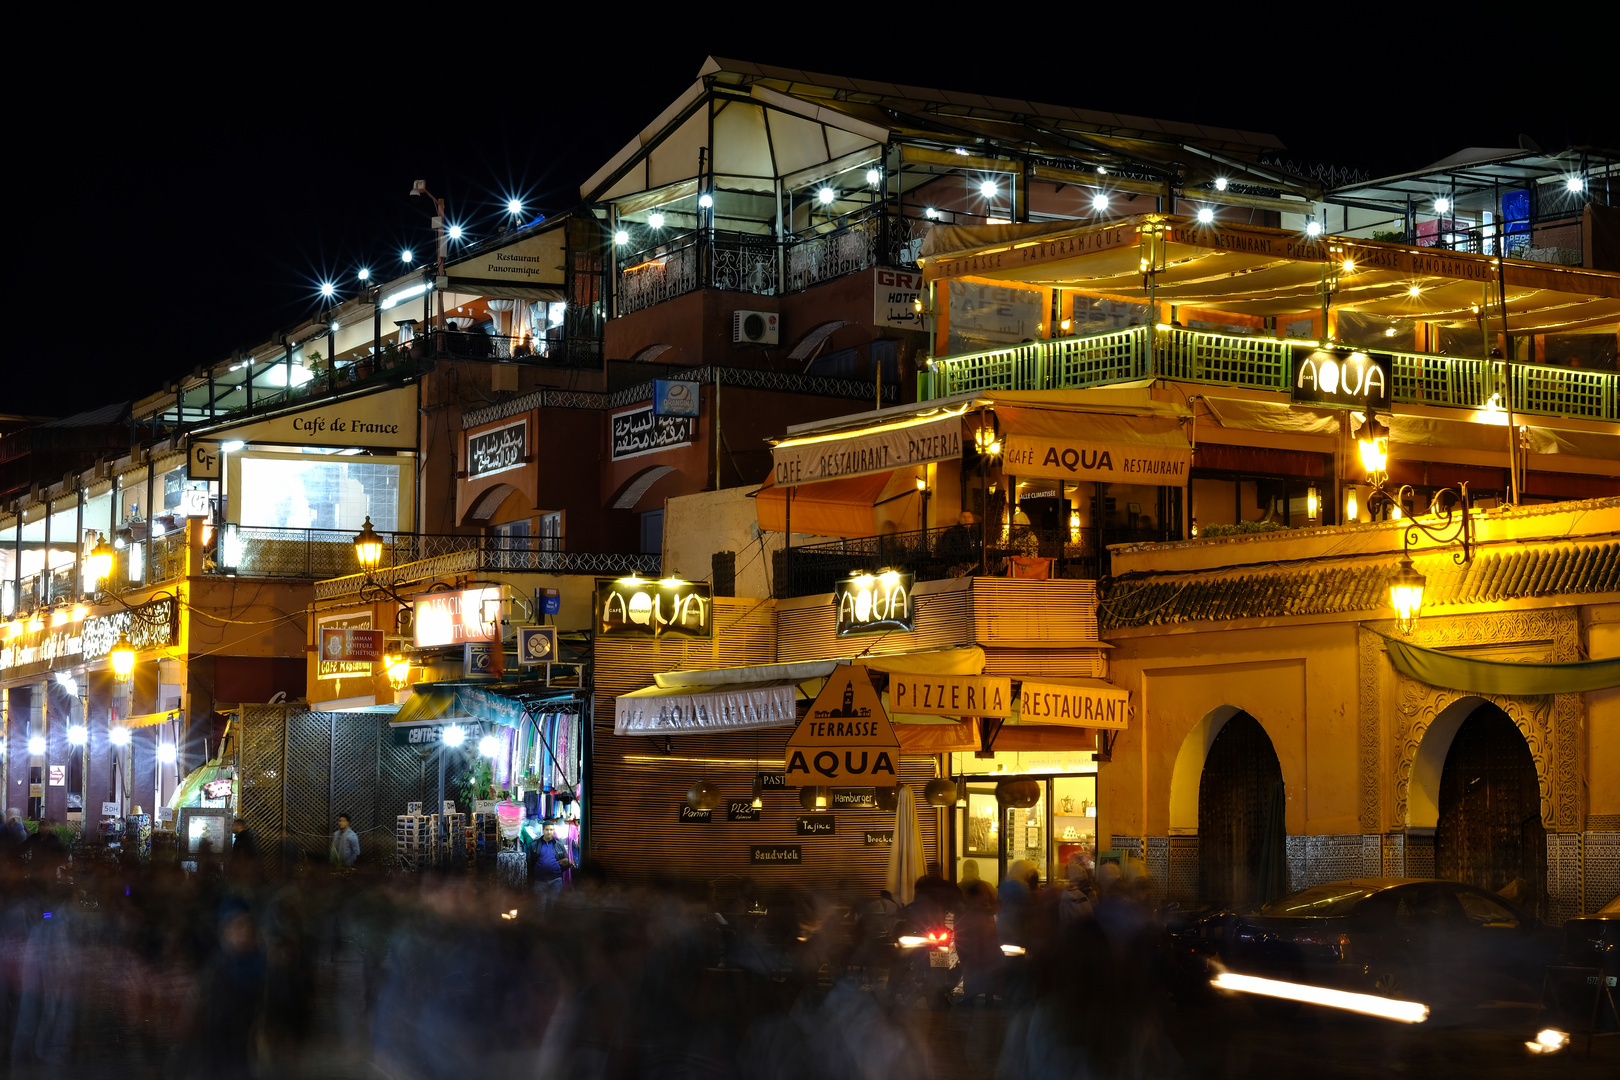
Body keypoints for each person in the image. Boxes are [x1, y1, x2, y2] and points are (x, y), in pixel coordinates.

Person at [529, 819, 572, 905]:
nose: (549, 832)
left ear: (553, 830)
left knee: (553, 908)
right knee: (540, 908)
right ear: (543, 830)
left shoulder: (559, 846)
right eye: (547, 829)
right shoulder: (534, 845)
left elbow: (567, 862)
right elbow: (530, 862)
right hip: (540, 881)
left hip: (556, 881)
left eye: (551, 830)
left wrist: (558, 869)